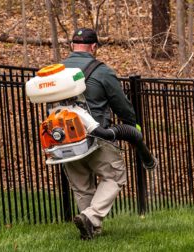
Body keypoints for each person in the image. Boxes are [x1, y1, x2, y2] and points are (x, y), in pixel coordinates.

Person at [60, 28, 138, 240]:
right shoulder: (101, 71)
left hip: (64, 138)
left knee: (82, 185)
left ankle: (90, 228)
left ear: (71, 46)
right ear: (94, 47)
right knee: (115, 175)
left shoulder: (56, 71)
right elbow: (121, 106)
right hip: (96, 136)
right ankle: (92, 217)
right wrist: (133, 128)